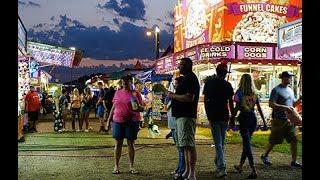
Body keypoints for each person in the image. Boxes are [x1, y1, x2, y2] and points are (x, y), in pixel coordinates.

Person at [260, 71, 302, 168]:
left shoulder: (290, 90)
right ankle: (264, 155)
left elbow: (292, 105)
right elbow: (271, 104)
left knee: (294, 140)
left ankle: (294, 161)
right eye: (288, 77)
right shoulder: (276, 90)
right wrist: (284, 107)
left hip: (289, 120)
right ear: (283, 78)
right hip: (278, 120)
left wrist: (299, 99)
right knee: (274, 141)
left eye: (290, 77)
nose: (290, 79)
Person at [167, 57, 200, 180]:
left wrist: (173, 95)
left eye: (181, 65)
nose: (179, 67)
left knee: (189, 145)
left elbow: (189, 97)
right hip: (181, 115)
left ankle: (192, 173)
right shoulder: (187, 79)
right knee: (184, 145)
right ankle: (187, 170)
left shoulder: (190, 78)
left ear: (187, 66)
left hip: (187, 115)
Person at [107, 75, 145, 174]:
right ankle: (116, 166)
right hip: (118, 121)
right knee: (118, 144)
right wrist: (108, 121)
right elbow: (113, 107)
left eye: (126, 83)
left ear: (130, 82)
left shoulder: (136, 94)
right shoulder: (117, 93)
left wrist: (137, 105)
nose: (124, 85)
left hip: (132, 121)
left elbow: (142, 108)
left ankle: (131, 166)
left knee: (131, 144)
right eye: (123, 83)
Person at [231, 74, 267, 179]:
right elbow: (259, 108)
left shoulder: (239, 93)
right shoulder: (255, 93)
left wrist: (232, 118)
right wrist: (264, 122)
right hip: (253, 119)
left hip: (244, 119)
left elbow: (236, 108)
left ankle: (253, 170)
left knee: (247, 145)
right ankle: (240, 165)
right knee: (246, 143)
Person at [202, 63, 234, 178]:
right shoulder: (227, 85)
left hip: (214, 115)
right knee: (221, 142)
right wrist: (233, 117)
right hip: (224, 115)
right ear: (225, 73)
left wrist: (207, 113)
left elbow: (206, 100)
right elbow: (230, 102)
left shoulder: (209, 83)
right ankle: (219, 163)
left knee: (218, 143)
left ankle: (221, 166)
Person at [166, 76, 186, 179]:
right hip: (173, 126)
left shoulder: (179, 97)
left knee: (181, 149)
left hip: (177, 125)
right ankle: (179, 168)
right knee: (179, 149)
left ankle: (182, 169)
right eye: (175, 83)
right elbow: (166, 106)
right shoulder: (174, 96)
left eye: (177, 84)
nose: (175, 85)